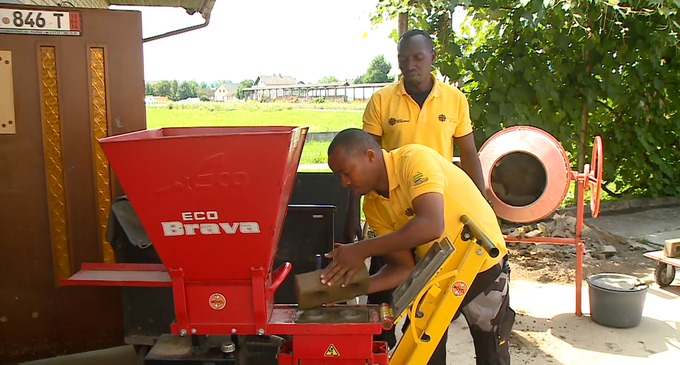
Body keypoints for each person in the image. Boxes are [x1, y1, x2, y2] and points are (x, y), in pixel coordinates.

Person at [342, 28, 493, 357]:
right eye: (403, 59)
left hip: (438, 211)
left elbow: (468, 154)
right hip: (394, 212)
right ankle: (379, 351)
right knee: (388, 305)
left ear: (432, 58)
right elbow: (360, 159)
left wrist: (482, 206)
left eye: (417, 58)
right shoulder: (382, 100)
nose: (410, 65)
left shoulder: (454, 100)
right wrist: (353, 216)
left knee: (446, 313)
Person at [321, 129, 514, 365]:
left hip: (482, 263)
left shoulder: (414, 160)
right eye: (339, 177)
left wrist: (361, 249)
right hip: (437, 273)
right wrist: (347, 288)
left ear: (370, 156)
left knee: (491, 352)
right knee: (420, 349)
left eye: (346, 173)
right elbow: (402, 268)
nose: (344, 183)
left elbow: (431, 225)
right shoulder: (373, 206)